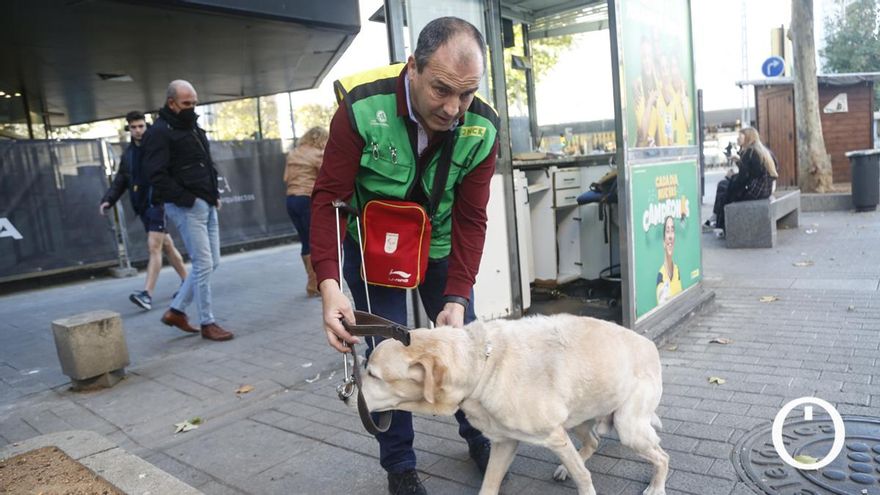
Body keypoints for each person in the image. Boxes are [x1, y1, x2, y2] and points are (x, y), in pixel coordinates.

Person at [310, 17, 499, 495]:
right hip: (376, 252)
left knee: (462, 347)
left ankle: (479, 437)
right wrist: (330, 286)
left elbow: (472, 218)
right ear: (413, 67)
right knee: (384, 357)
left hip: (438, 252)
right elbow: (330, 200)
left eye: (467, 94)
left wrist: (457, 294)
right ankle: (400, 468)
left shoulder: (482, 127)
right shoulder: (361, 107)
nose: (454, 108)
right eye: (441, 90)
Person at [143, 80, 233, 342]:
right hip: (187, 206)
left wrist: (213, 195)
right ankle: (208, 322)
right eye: (187, 103)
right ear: (172, 103)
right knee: (204, 264)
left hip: (204, 202)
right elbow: (155, 175)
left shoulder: (191, 126)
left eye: (194, 102)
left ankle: (176, 310)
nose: (192, 107)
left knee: (211, 262)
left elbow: (205, 161)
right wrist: (188, 199)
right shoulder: (159, 132)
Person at [100, 111, 187, 310]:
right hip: (142, 207)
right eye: (134, 127)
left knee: (153, 247)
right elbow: (121, 180)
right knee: (167, 246)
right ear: (128, 129)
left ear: (146, 126)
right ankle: (189, 282)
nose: (138, 131)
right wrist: (108, 200)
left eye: (141, 126)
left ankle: (147, 294)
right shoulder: (129, 154)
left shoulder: (156, 148)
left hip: (158, 203)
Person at [283, 126, 328, 297]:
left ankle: (312, 283)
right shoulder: (318, 155)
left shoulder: (293, 153)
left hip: (291, 200)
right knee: (315, 241)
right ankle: (316, 284)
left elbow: (286, 178)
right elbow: (326, 177)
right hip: (307, 199)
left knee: (305, 241)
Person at [710, 127, 778, 231]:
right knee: (724, 186)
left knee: (724, 188)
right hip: (765, 191)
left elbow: (743, 179)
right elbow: (754, 172)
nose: (737, 139)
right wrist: (739, 162)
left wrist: (731, 177)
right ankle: (716, 219)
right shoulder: (762, 150)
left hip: (755, 192)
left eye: (740, 136)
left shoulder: (749, 152)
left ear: (747, 138)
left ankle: (719, 223)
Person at [656, 216, 682, 304]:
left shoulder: (677, 269)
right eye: (667, 231)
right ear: (663, 242)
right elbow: (661, 299)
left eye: (672, 231)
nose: (670, 236)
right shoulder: (661, 275)